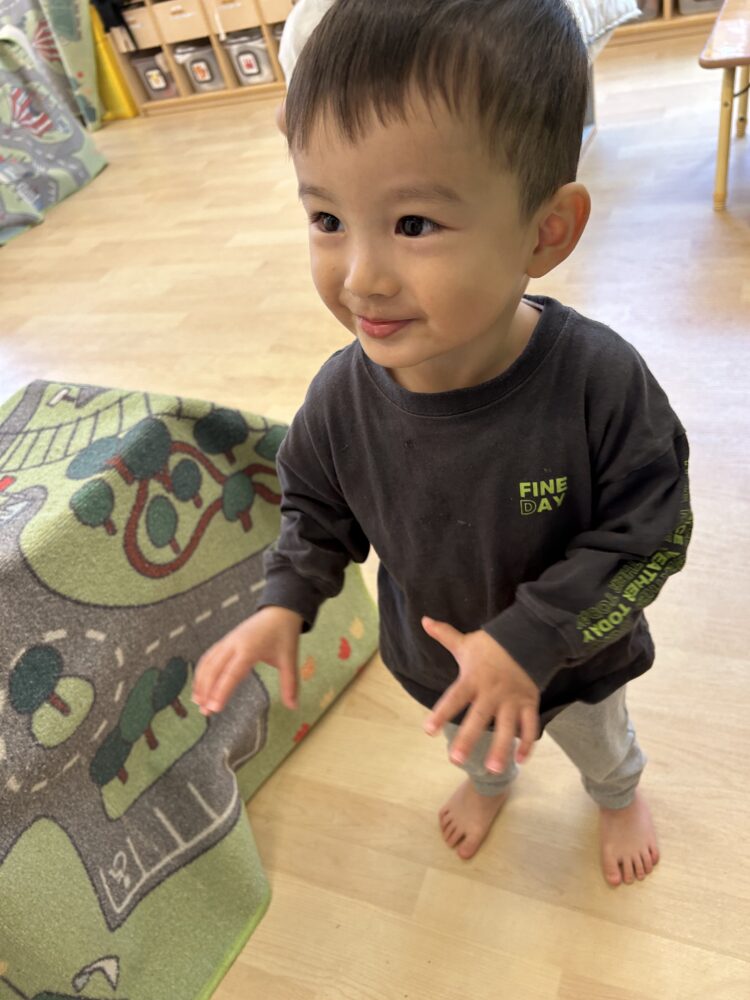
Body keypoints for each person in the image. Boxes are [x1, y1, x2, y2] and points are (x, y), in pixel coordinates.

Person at [192, 0, 692, 886]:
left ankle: (619, 797)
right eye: (326, 218)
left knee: (600, 742)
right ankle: (492, 782)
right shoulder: (340, 399)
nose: (360, 278)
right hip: (444, 661)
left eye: (414, 225)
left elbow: (653, 534)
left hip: (573, 660)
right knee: (476, 746)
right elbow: (316, 509)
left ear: (546, 231)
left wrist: (531, 639)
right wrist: (285, 600)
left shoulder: (598, 382)